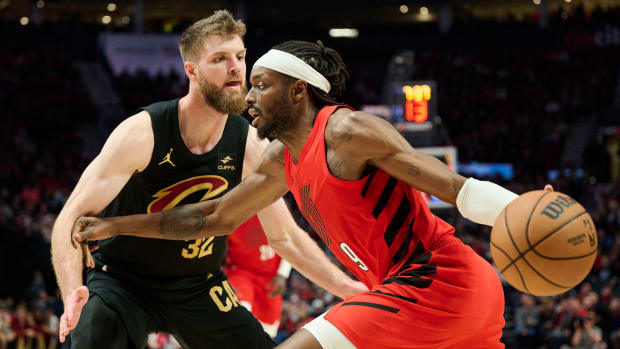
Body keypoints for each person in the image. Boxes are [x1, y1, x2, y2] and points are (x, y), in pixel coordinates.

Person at [72, 40, 553, 348]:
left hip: (439, 282)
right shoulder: (281, 160)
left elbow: (455, 188)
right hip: (422, 296)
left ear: (298, 91)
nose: (249, 97)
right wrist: (115, 225)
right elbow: (210, 218)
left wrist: (526, 212)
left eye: (261, 85)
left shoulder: (348, 130)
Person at [50, 13, 365, 349]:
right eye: (220, 59)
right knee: (90, 338)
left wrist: (351, 289)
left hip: (198, 284)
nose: (236, 67)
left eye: (240, 57)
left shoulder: (249, 144)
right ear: (192, 71)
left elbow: (285, 237)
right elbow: (70, 219)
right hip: (123, 281)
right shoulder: (142, 132)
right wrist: (72, 294)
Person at [224, 215, 292, 338]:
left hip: (270, 277)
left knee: (269, 331)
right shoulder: (231, 212)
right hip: (240, 272)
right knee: (241, 315)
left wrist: (283, 274)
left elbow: (291, 241)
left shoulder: (276, 206)